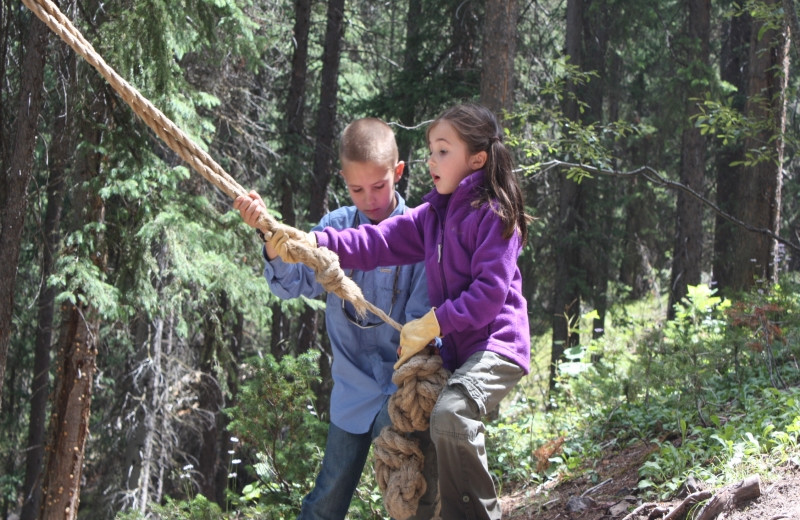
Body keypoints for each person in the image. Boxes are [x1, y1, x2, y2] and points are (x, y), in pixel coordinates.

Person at [271, 103, 531, 520]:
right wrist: (312, 242)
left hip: (497, 343)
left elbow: (489, 295)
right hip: (455, 354)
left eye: (443, 150)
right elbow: (375, 243)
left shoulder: (494, 214)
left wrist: (432, 322)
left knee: (450, 416)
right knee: (420, 460)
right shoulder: (432, 217)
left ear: (476, 160)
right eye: (431, 150)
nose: (432, 159)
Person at [234, 118, 438, 520]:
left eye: (379, 186)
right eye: (356, 189)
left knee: (411, 494)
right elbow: (291, 285)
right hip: (351, 391)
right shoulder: (334, 229)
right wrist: (269, 239)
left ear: (398, 172)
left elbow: (420, 318)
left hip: (401, 391)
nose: (370, 198)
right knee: (329, 494)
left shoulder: (420, 231)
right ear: (343, 180)